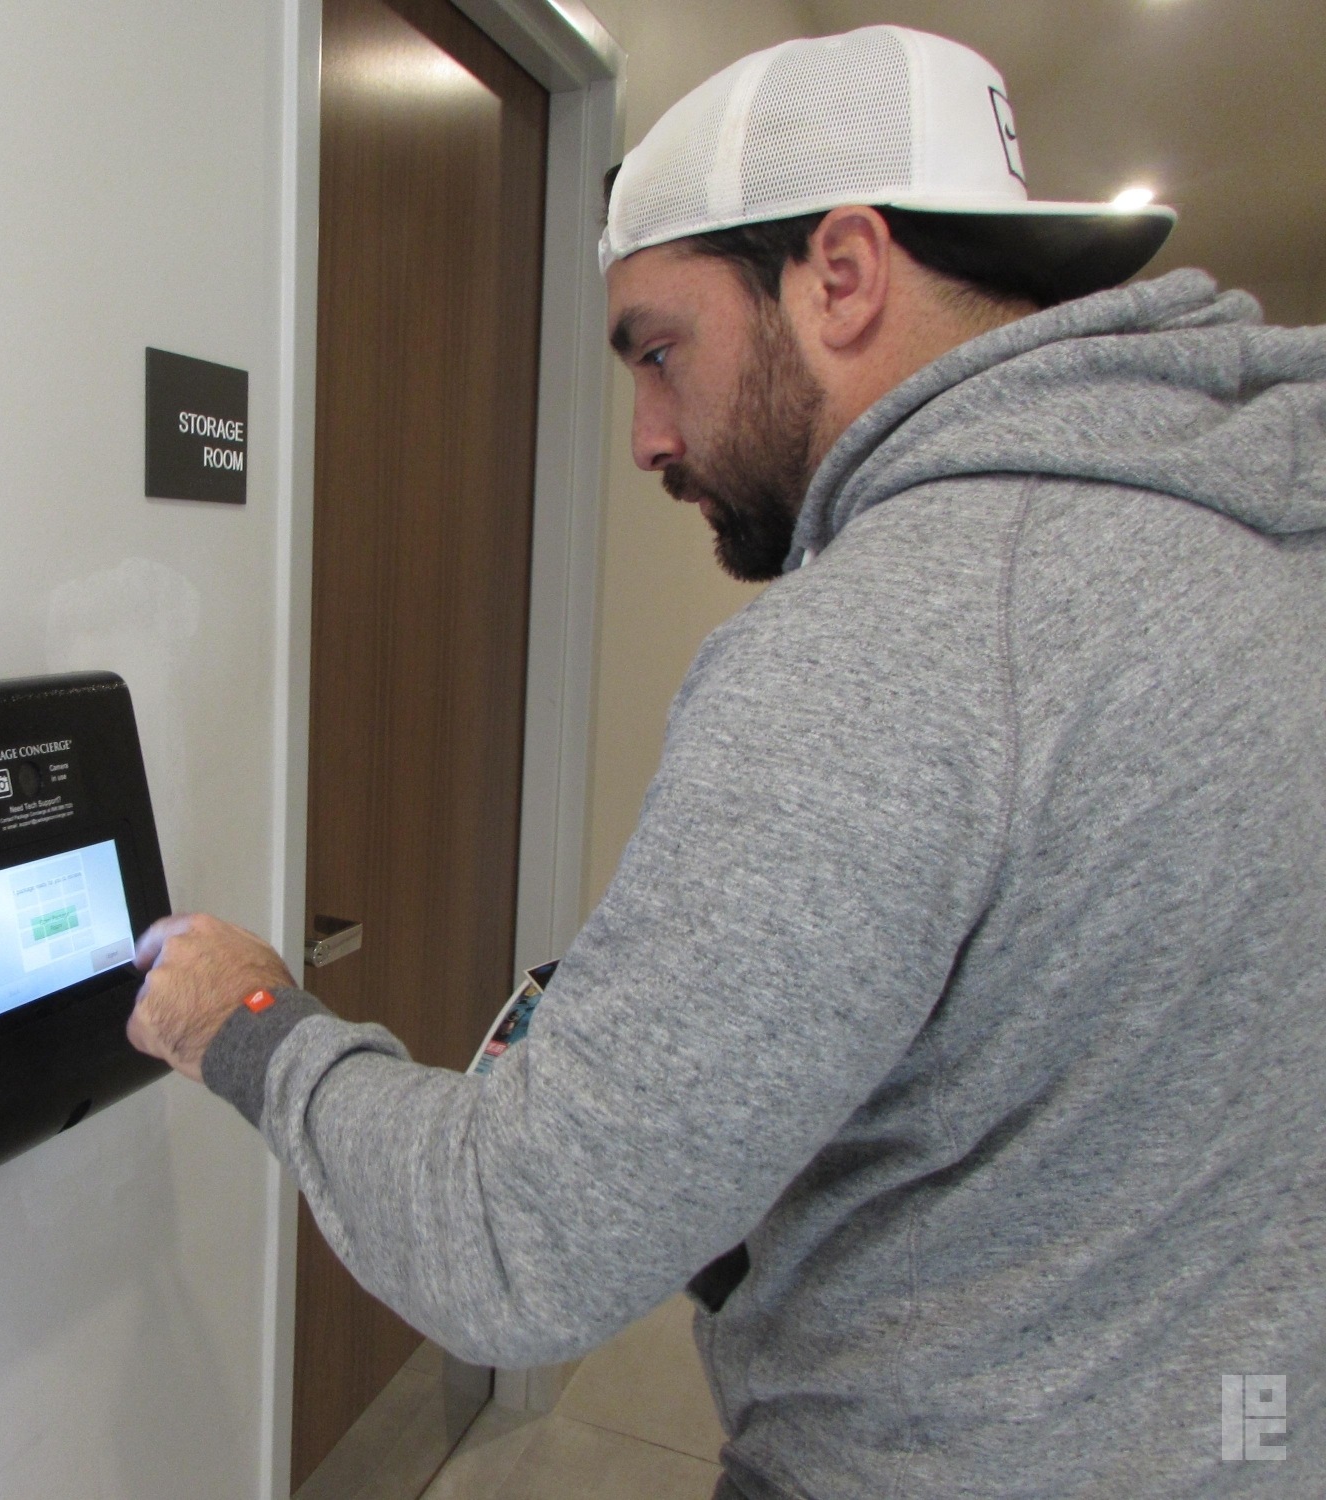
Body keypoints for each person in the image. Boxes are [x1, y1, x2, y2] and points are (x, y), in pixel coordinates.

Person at [129, 26, 1325, 1498]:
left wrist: (242, 1018)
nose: (643, 438)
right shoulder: (1270, 535)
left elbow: (518, 1242)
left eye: (656, 348)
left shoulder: (891, 644)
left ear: (840, 273)